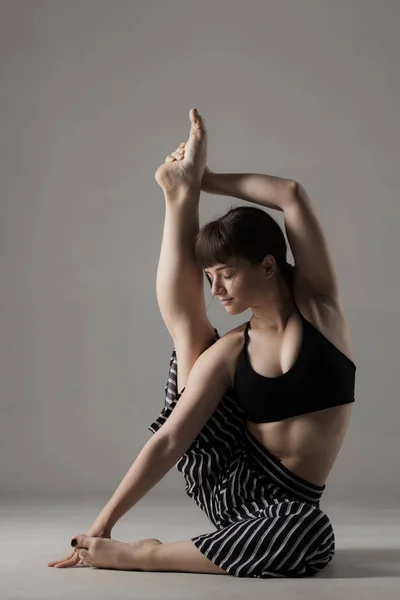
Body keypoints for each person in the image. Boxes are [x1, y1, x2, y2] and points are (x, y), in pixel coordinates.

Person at [47, 108, 356, 578]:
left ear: (268, 266)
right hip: (230, 484)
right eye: (209, 277)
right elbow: (171, 438)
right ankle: (178, 196)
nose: (216, 290)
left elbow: (291, 195)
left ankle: (146, 554)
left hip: (289, 504)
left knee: (308, 530)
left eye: (227, 274)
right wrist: (103, 524)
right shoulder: (232, 350)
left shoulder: (321, 308)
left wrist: (210, 177)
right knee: (192, 340)